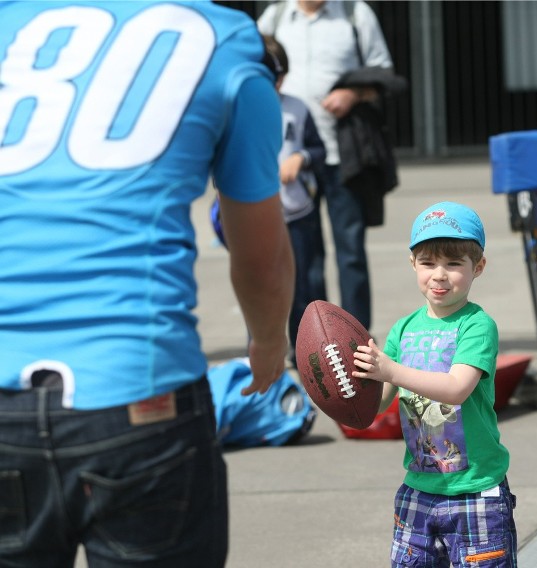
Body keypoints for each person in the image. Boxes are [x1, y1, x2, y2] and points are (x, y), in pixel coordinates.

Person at [0, 2, 294, 566]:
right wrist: (267, 341)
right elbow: (261, 258)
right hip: (139, 388)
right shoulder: (225, 41)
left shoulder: (13, 24)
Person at [352, 202, 517, 567]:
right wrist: (343, 386)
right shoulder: (403, 329)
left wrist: (390, 370)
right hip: (419, 488)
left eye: (454, 264)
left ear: (479, 267)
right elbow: (378, 405)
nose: (439, 275)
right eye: (428, 263)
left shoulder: (476, 325)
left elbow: (457, 387)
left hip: (475, 489)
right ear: (413, 264)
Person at [257, 0, 394, 332]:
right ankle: (310, 341)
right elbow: (248, 68)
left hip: (341, 157)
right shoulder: (273, 19)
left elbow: (383, 72)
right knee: (301, 260)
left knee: (351, 254)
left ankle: (357, 342)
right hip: (291, 165)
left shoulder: (353, 13)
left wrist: (353, 93)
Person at [213, 35, 327, 359]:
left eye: (278, 78)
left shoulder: (296, 108)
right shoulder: (234, 110)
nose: (274, 85)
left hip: (296, 210)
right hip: (253, 215)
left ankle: (310, 351)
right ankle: (261, 348)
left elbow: (318, 150)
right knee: (259, 282)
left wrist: (301, 158)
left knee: (306, 283)